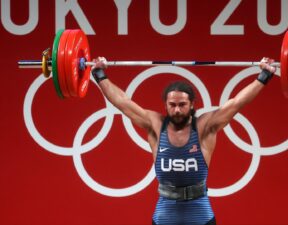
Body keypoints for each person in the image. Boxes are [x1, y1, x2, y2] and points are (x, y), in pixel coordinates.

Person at [91, 57, 276, 225]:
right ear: (165, 105)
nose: (177, 110)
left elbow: (236, 103)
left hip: (201, 217)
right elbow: (123, 103)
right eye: (172, 105)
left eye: (182, 105)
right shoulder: (155, 125)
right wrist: (100, 74)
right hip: (164, 218)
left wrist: (264, 76)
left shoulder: (204, 127)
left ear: (192, 105)